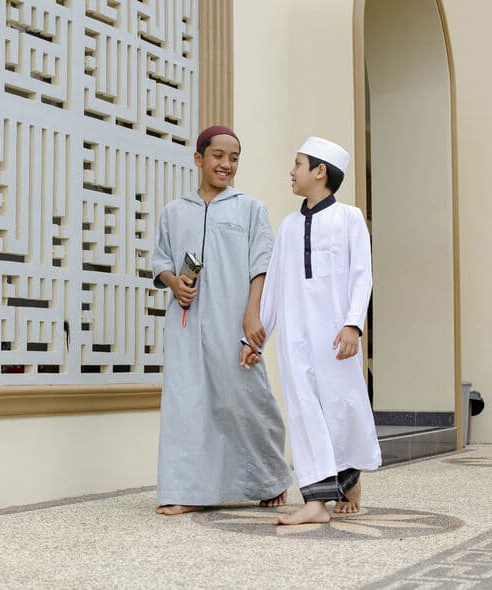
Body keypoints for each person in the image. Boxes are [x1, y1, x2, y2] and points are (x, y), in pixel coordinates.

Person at [152, 125, 293, 515]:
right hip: (185, 323)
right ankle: (186, 491)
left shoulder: (250, 208)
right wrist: (173, 283)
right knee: (186, 403)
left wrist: (252, 315)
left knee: (245, 398)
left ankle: (271, 477)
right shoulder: (174, 210)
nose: (226, 165)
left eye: (233, 158)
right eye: (218, 156)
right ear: (199, 159)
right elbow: (160, 259)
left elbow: (262, 265)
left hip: (232, 320)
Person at [241, 136, 382, 525]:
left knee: (342, 405)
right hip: (296, 337)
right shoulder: (287, 227)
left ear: (320, 172)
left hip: (337, 335)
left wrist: (353, 324)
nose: (292, 170)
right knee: (304, 410)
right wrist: (255, 338)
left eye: (298, 163)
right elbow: (274, 288)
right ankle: (317, 502)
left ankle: (350, 478)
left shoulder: (350, 218)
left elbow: (361, 275)